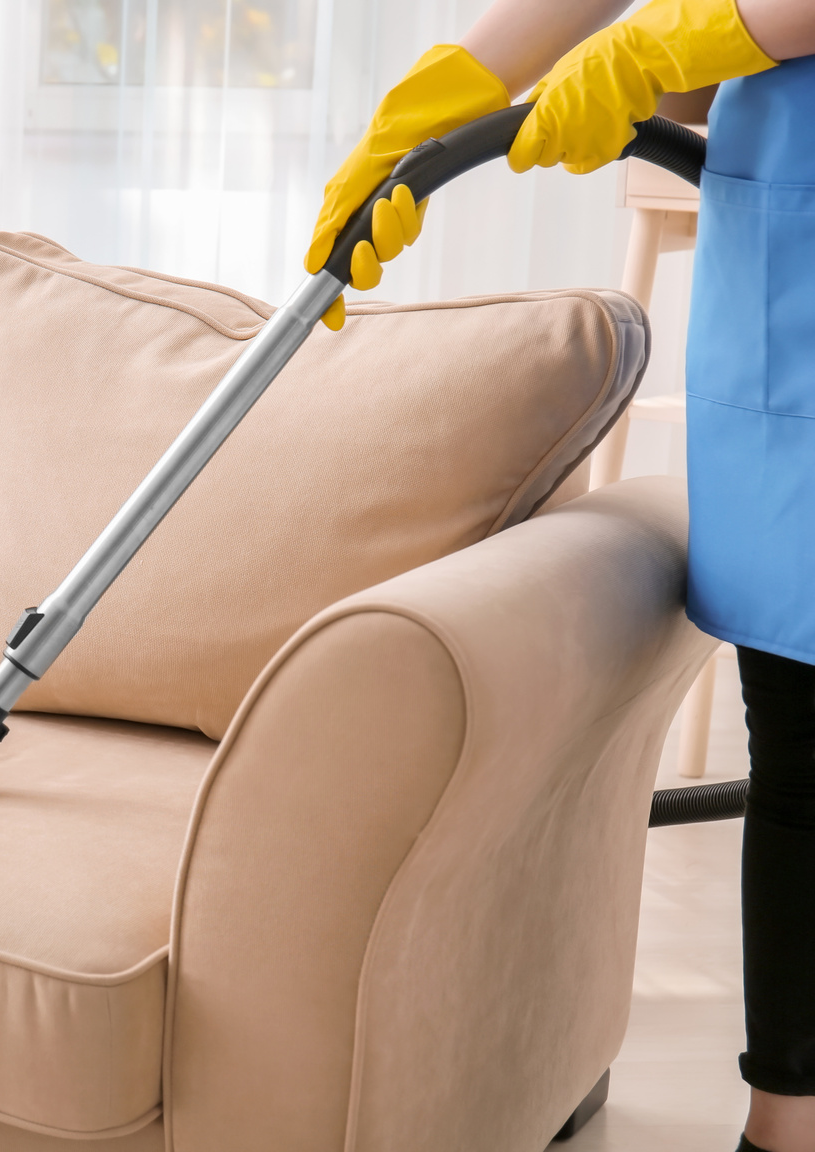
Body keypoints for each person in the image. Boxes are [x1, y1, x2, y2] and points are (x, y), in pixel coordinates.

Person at [306, 2, 815, 1149]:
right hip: (790, 239)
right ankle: (788, 1128)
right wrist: (443, 99)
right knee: (804, 731)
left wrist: (663, 43)